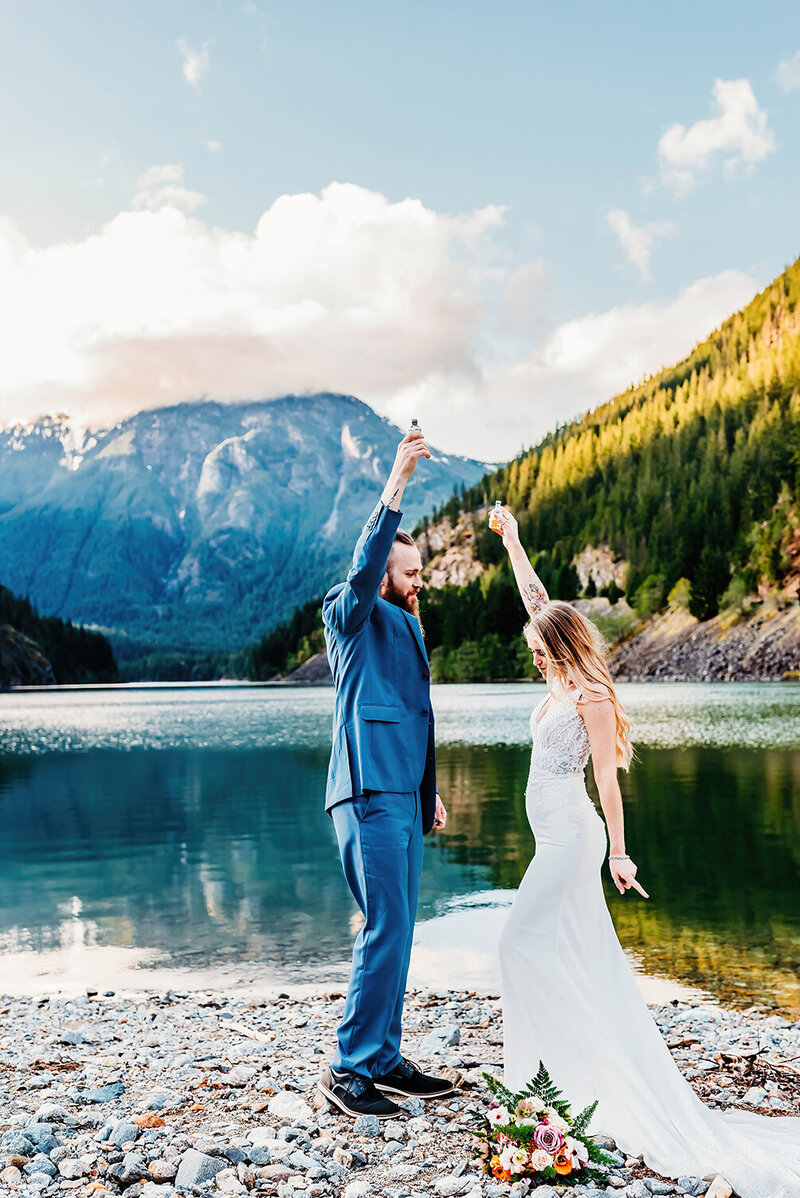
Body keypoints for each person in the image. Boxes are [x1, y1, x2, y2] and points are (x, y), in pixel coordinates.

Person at [491, 504, 800, 1198]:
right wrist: (513, 541)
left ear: (561, 647)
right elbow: (537, 601)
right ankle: (559, 1081)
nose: (532, 654)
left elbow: (606, 778)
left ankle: (558, 1071)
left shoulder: (591, 694)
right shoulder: (555, 678)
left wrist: (620, 854)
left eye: (540, 647)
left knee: (518, 945)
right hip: (553, 835)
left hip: (574, 837)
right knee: (553, 949)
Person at [317, 428, 454, 1119]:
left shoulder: (410, 626)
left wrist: (430, 799)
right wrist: (395, 484)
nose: (417, 577)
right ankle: (348, 1068)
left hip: (402, 797)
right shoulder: (348, 616)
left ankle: (385, 1056)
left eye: (420, 569)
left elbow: (419, 715)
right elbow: (369, 563)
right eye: (409, 570)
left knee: (399, 927)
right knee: (382, 925)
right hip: (366, 792)